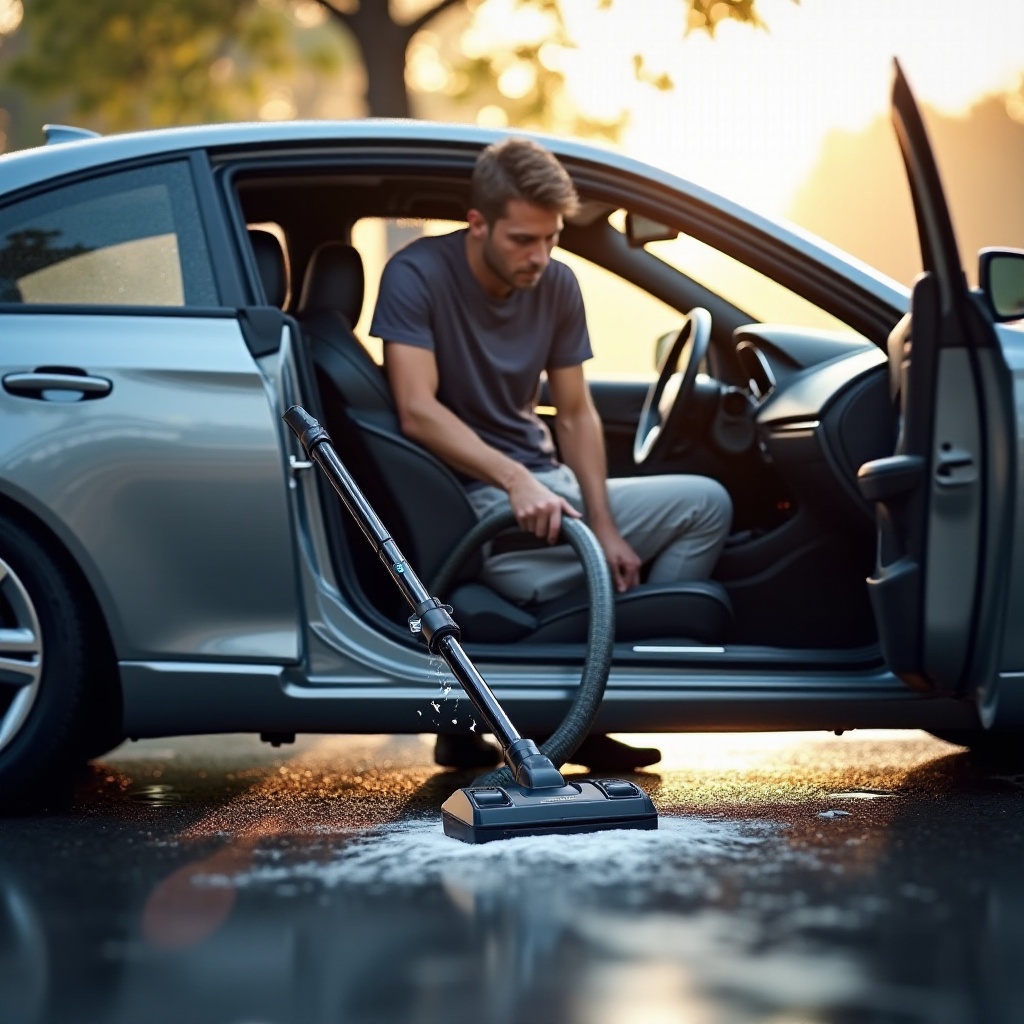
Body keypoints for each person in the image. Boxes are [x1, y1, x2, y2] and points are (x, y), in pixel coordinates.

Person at [369, 136, 732, 771]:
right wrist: (514, 481)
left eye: (551, 239)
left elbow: (576, 412)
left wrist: (609, 527)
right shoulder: (417, 275)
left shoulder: (558, 285)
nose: (539, 257)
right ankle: (604, 697)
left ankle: (589, 688)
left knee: (692, 505)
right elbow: (417, 409)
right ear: (477, 223)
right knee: (704, 508)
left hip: (548, 488)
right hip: (482, 505)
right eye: (522, 240)